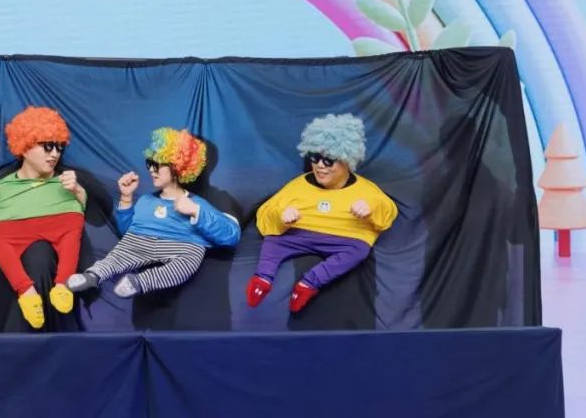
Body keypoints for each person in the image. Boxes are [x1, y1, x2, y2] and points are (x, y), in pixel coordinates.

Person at [246, 114, 398, 312]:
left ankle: (309, 284)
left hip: (344, 239)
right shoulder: (299, 185)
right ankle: (263, 278)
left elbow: (388, 212)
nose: (319, 166)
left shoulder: (366, 190)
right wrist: (281, 214)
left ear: (347, 160)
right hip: (298, 234)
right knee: (273, 240)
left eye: (329, 160)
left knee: (359, 250)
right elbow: (265, 214)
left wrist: (370, 209)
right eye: (315, 158)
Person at [67, 128, 240, 298]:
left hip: (180, 246)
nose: (151, 170)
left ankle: (140, 282)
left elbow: (231, 235)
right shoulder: (146, 200)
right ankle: (93, 275)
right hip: (140, 242)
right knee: (121, 251)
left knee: (190, 259)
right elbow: (128, 232)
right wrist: (126, 198)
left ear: (176, 167)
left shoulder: (196, 203)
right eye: (149, 163)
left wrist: (196, 211)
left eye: (156, 165)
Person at [0, 106, 87, 329]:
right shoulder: (3, 184)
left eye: (59, 147)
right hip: (15, 236)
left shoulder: (65, 182)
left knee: (73, 226)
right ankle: (26, 292)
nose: (54, 154)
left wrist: (77, 190)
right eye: (47, 146)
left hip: (57, 229)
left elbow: (83, 204)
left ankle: (63, 285)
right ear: (25, 148)